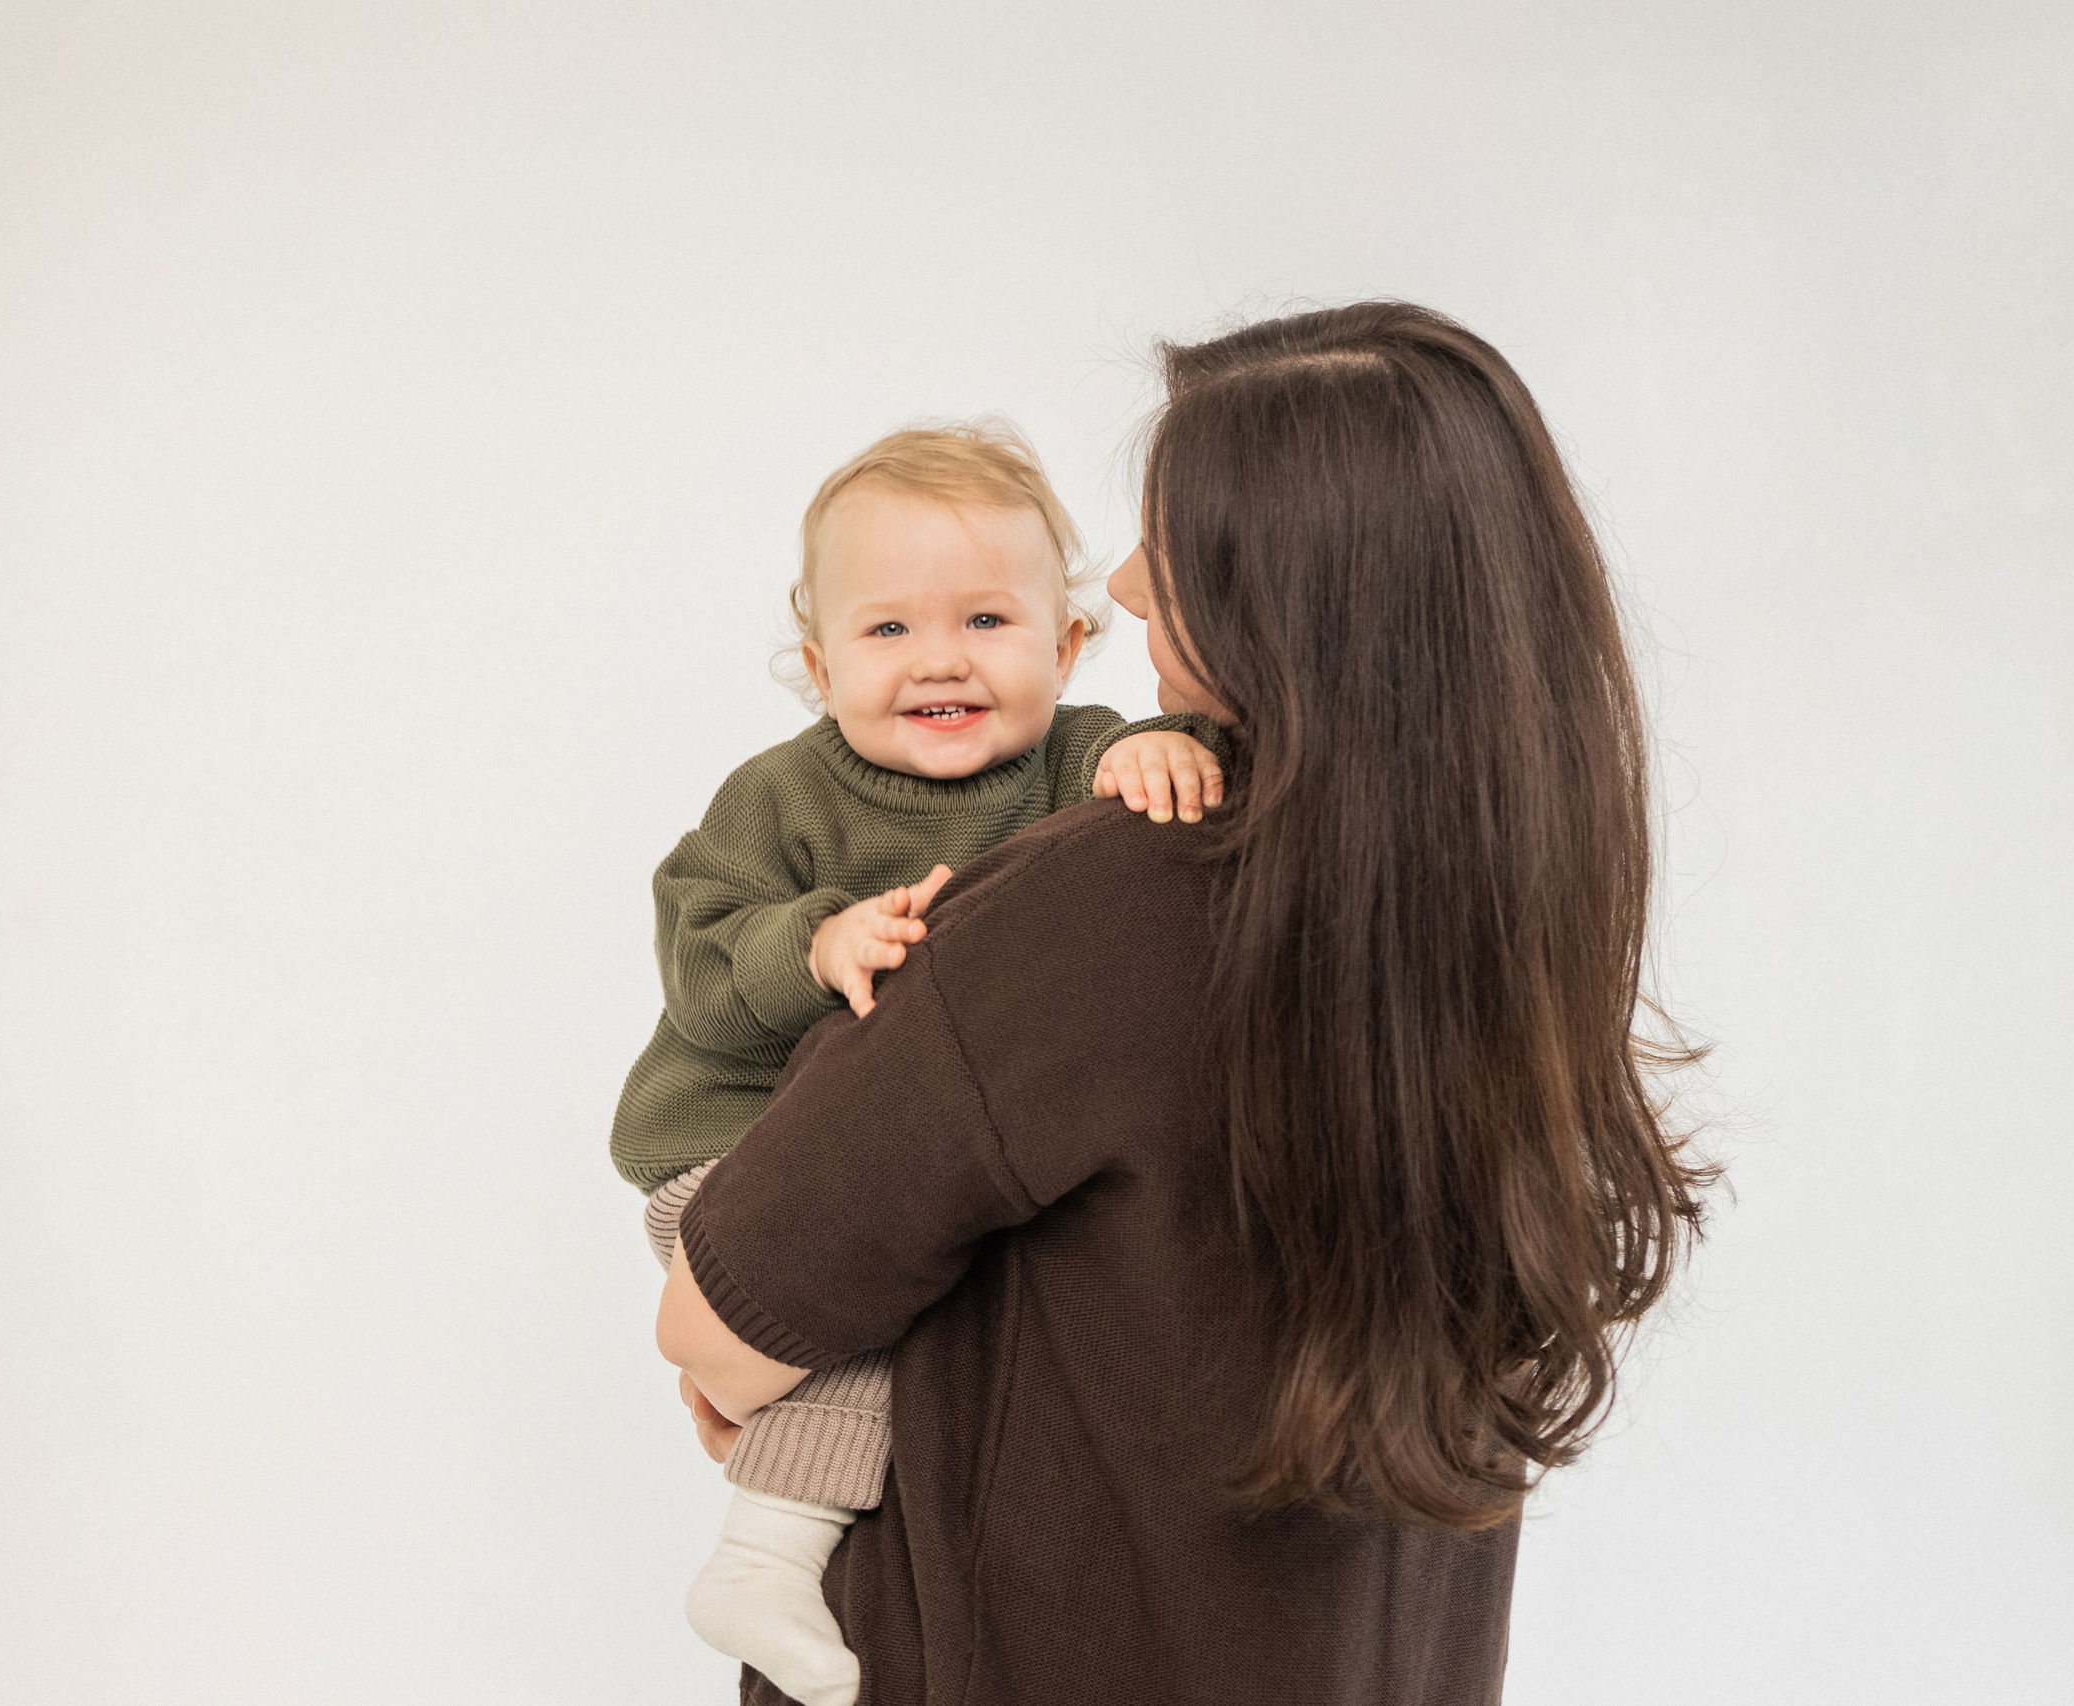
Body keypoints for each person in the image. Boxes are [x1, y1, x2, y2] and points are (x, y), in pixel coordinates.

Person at [657, 301, 1716, 1705]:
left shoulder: (1103, 910)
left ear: (1288, 592)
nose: (1132, 581)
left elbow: (717, 1322)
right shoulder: (1511, 921)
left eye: (1175, 543)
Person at [611, 420, 1228, 1706]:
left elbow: (1150, 785)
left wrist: (1163, 752)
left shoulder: (1081, 762)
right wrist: (815, 940)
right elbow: (702, 956)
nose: (939, 660)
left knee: (930, 1330)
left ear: (1066, 646)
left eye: (989, 623)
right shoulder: (778, 799)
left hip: (901, 1180)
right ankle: (766, 1556)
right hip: (726, 1148)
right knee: (856, 1334)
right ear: (815, 655)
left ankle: (768, 1554)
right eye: (886, 631)